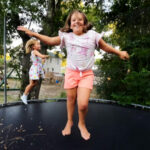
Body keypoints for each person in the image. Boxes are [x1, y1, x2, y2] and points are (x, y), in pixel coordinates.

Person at [17, 10, 129, 140]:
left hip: (86, 74)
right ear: (70, 25)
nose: (77, 22)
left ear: (85, 23)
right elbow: (50, 40)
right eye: (73, 20)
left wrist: (119, 52)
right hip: (71, 72)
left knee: (82, 104)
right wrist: (34, 34)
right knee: (70, 99)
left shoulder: (93, 35)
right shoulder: (66, 36)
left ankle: (81, 123)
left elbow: (105, 47)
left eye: (80, 19)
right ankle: (69, 121)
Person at [21, 39, 49, 105]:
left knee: (34, 83)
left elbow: (41, 62)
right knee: (32, 84)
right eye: (38, 44)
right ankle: (24, 95)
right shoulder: (34, 51)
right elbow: (42, 56)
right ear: (33, 46)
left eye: (39, 44)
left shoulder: (36, 53)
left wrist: (43, 61)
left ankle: (25, 95)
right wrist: (47, 56)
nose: (40, 45)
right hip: (34, 69)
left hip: (37, 69)